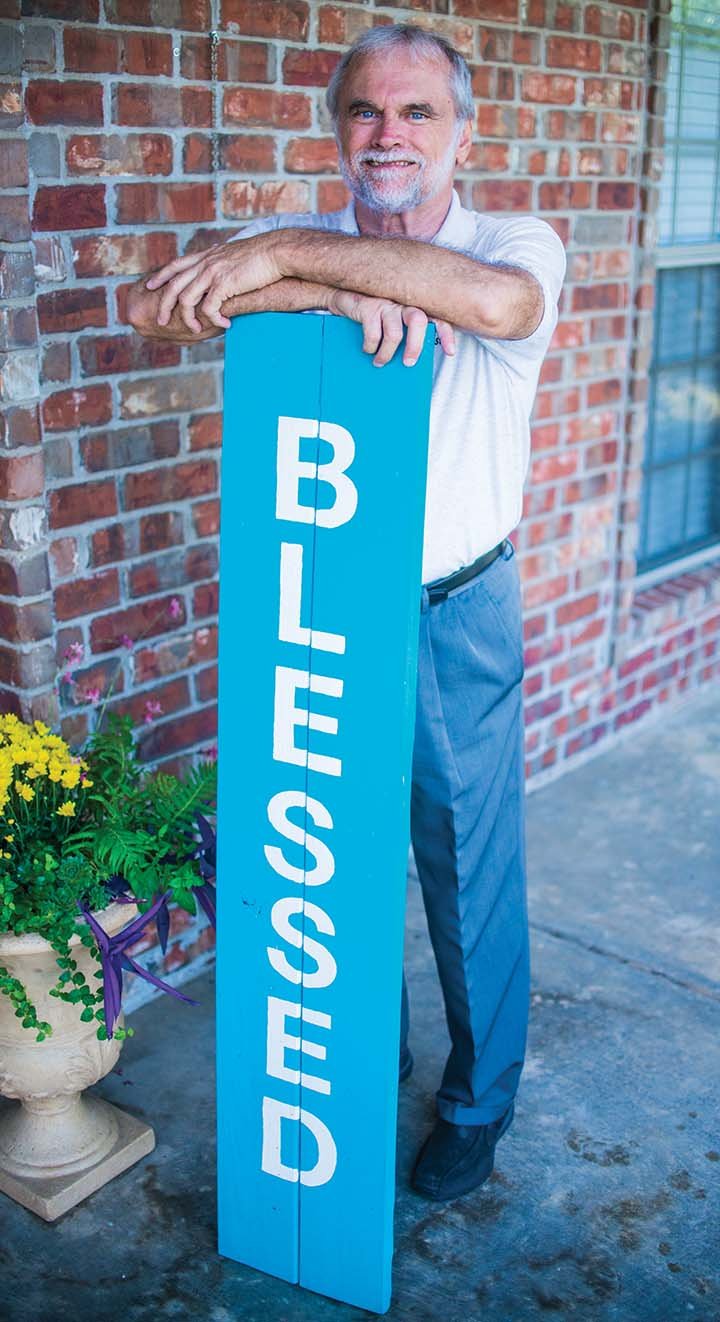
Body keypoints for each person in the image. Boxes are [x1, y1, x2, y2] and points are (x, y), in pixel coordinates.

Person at [128, 23, 567, 1203]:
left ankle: (478, 1105)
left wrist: (280, 257)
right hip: (313, 599)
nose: (390, 135)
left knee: (465, 867)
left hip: (447, 614)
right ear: (338, 135)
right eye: (366, 113)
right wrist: (312, 270)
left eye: (418, 113)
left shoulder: (511, 239)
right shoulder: (313, 243)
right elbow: (155, 307)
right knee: (326, 859)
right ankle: (367, 1066)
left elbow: (491, 302)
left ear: (463, 134)